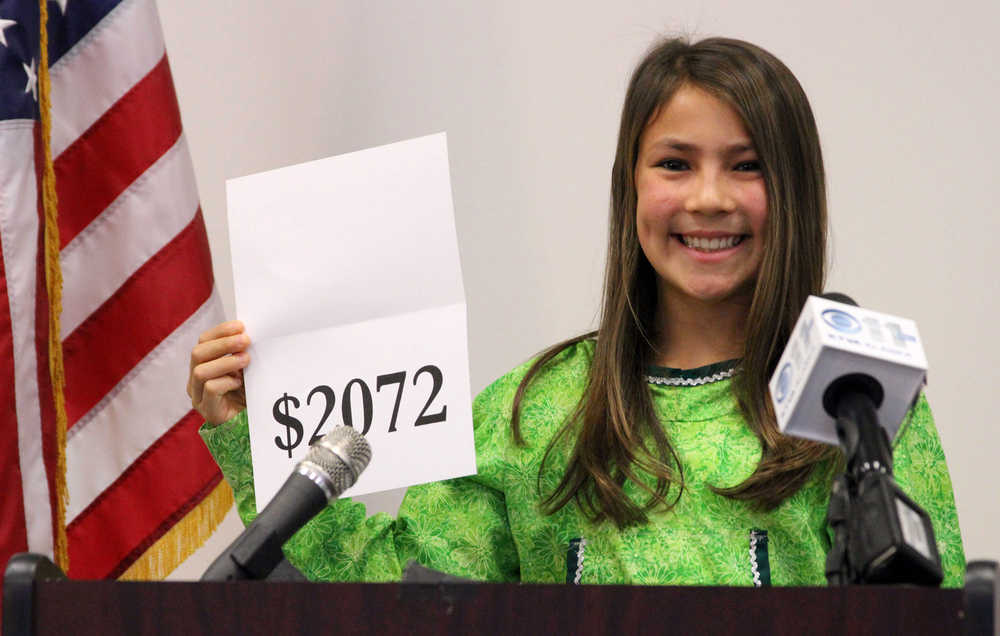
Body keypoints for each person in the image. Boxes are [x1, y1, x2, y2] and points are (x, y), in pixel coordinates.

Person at [188, 36, 965, 586]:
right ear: (630, 187)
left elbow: (935, 609)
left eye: (747, 166)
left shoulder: (858, 401)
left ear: (794, 192)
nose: (708, 199)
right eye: (674, 163)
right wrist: (244, 434)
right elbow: (392, 593)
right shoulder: (536, 409)